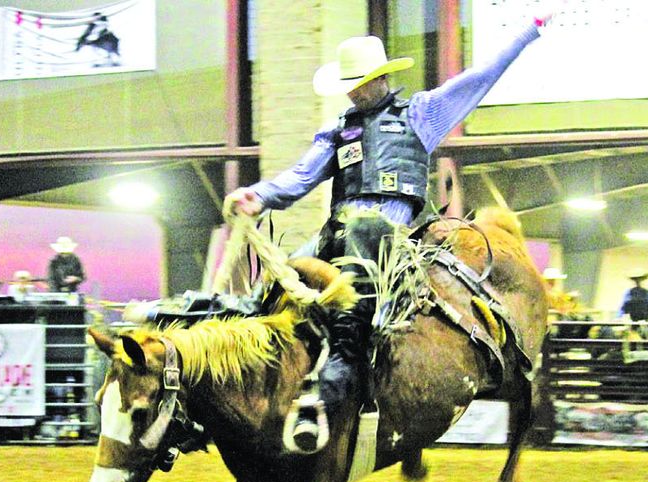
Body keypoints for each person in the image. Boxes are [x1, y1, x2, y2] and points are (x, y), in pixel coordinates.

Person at [221, 5, 566, 453]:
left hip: (390, 238)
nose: (351, 93)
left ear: (377, 79)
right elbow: (301, 177)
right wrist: (260, 195)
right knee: (276, 285)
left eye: (356, 84)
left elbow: (479, 78)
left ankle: (342, 390)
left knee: (360, 308)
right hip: (340, 232)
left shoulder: (421, 113)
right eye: (348, 86)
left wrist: (526, 33)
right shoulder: (337, 131)